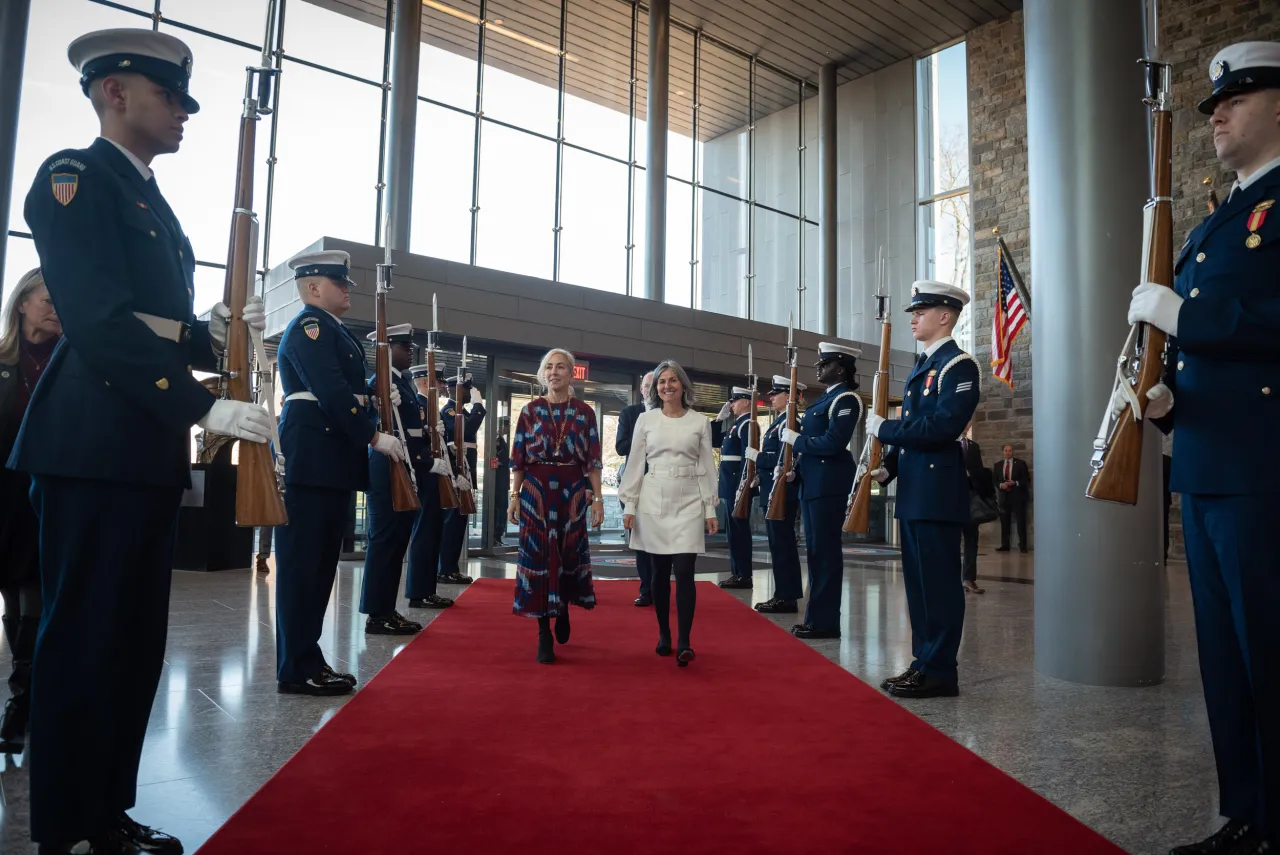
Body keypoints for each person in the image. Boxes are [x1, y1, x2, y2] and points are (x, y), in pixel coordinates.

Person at [10, 28, 274, 855]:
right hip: (93, 440)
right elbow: (95, 318)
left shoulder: (151, 199)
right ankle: (63, 826)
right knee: (83, 637)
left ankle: (106, 812)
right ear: (114, 92)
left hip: (138, 445)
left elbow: (156, 324)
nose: (183, 114)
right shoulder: (75, 178)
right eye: (170, 97)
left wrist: (213, 336)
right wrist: (199, 406)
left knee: (131, 644)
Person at [1124, 41, 1280, 855]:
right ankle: (1247, 815)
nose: (1217, 111)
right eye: (1217, 100)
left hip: (1264, 468)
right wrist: (1168, 405)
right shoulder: (1223, 218)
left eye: (1239, 97)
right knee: (1224, 660)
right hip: (1212, 461)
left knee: (1268, 654)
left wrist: (1187, 317)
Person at [274, 249, 406, 696]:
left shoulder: (333, 329)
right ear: (313, 288)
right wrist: (372, 436)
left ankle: (306, 659)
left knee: (318, 567)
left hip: (329, 461)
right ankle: (296, 665)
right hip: (313, 459)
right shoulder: (310, 327)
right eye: (339, 283)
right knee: (302, 568)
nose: (348, 289)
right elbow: (331, 390)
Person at [865, 281, 980, 699]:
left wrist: (886, 427)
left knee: (939, 587)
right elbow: (917, 430)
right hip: (916, 489)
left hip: (936, 493)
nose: (913, 317)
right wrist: (889, 467)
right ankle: (923, 662)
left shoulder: (958, 366)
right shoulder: (924, 365)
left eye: (922, 311)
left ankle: (940, 672)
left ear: (945, 316)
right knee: (919, 587)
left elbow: (944, 427)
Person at [618, 359, 719, 667]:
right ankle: (664, 634)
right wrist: (630, 505)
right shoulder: (645, 420)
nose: (667, 386)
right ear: (656, 388)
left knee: (685, 571)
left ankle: (685, 641)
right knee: (659, 573)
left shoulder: (700, 422)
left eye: (673, 380)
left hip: (689, 499)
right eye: (662, 381)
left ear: (683, 385)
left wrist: (710, 508)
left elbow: (706, 468)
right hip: (653, 499)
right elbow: (635, 464)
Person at [508, 348, 603, 664]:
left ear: (570, 372)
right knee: (538, 554)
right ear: (542, 373)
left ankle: (561, 606)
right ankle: (543, 632)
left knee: (567, 552)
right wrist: (513, 495)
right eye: (549, 367)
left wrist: (598, 499)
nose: (554, 372)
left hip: (572, 491)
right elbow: (518, 458)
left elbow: (593, 462)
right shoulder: (530, 411)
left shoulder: (584, 413)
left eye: (560, 367)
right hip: (536, 491)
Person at [0, 269, 61, 754]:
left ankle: (25, 701)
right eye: (46, 298)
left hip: (52, 500)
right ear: (22, 303)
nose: (55, 307)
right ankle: (27, 697)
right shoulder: (2, 361)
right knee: (15, 601)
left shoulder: (71, 359)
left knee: (36, 602)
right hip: (5, 502)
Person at [359, 324, 452, 635]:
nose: (410, 351)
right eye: (403, 346)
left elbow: (411, 432)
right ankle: (377, 612)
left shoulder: (403, 384)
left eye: (410, 346)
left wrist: (428, 443)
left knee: (397, 542)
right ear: (387, 350)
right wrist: (426, 461)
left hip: (403, 466)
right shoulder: (380, 382)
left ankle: (386, 609)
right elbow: (373, 425)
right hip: (387, 467)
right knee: (384, 542)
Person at [780, 342, 862, 640]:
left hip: (829, 484)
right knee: (815, 553)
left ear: (840, 368)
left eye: (824, 364)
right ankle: (816, 617)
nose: (818, 368)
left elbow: (832, 443)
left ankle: (826, 621)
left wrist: (796, 440)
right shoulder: (824, 400)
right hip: (813, 483)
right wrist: (795, 471)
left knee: (825, 555)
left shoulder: (846, 399)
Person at [755, 375, 806, 614]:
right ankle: (782, 593)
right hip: (772, 489)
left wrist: (757, 458)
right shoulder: (780, 422)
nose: (771, 397)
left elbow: (783, 459)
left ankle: (786, 597)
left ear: (789, 397)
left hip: (782, 491)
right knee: (778, 545)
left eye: (776, 393)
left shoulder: (790, 422)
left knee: (783, 545)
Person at [404, 364, 454, 610]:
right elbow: (414, 444)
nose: (443, 386)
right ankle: (418, 592)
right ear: (424, 382)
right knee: (424, 534)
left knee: (433, 534)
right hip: (425, 476)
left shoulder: (430, 408)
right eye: (439, 381)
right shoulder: (419, 406)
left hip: (435, 475)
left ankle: (427, 589)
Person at [438, 370, 485, 585]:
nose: (470, 394)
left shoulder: (461, 412)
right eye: (467, 390)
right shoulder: (448, 411)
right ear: (455, 390)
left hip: (465, 474)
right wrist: (479, 407)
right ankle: (445, 569)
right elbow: (466, 431)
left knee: (459, 524)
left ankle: (451, 567)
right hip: (455, 475)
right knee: (451, 524)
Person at [615, 370, 655, 606]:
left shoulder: (667, 414)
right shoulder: (630, 413)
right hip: (637, 483)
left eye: (654, 384)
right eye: (646, 386)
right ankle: (646, 590)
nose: (650, 389)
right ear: (641, 389)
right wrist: (646, 438)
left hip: (664, 484)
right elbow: (621, 447)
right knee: (641, 541)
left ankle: (659, 587)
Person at [716, 386, 756, 591]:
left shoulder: (748, 424)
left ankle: (743, 574)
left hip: (736, 485)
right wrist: (718, 421)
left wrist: (743, 487)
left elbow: (747, 460)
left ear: (747, 402)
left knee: (739, 532)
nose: (731, 405)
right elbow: (713, 441)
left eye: (735, 401)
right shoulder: (736, 424)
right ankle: (737, 573)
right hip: (730, 484)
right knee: (733, 532)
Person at [960, 430, 991, 594]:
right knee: (950, 542)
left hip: (971, 502)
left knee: (971, 541)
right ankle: (948, 578)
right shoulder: (945, 441)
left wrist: (971, 474)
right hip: (949, 500)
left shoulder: (973, 446)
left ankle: (968, 579)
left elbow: (980, 472)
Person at [993, 444, 1029, 553]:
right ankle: (1005, 545)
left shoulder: (1021, 464)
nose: (1008, 452)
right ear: (1003, 452)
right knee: (1004, 522)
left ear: (1013, 452)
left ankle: (1023, 546)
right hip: (1004, 497)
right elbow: (994, 480)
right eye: (1006, 450)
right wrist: (1001, 485)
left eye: (1010, 450)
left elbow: (1026, 480)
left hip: (1017, 496)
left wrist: (1015, 482)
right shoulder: (998, 465)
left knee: (1021, 521)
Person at [492, 418, 510, 545]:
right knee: (499, 508)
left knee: (502, 508)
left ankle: (497, 536)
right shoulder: (496, 440)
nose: (507, 429)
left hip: (502, 479)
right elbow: (493, 458)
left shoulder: (501, 440)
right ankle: (495, 536)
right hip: (497, 479)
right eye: (506, 426)